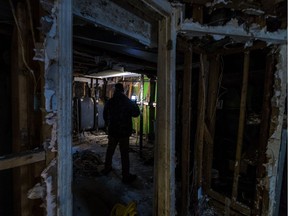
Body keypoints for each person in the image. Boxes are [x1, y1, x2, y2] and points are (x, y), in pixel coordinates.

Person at [102, 82, 140, 184]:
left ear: (115, 90)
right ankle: (125, 176)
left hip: (113, 131)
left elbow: (105, 114)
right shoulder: (127, 101)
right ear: (123, 90)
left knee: (110, 150)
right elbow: (136, 114)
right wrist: (135, 103)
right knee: (124, 154)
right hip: (124, 132)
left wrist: (108, 124)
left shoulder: (110, 101)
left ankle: (107, 168)